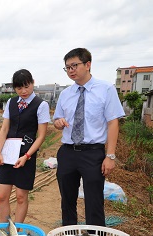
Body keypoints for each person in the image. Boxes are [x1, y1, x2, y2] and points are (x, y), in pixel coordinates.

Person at [53, 48, 124, 226]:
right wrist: (59, 122)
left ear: (88, 65)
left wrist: (110, 155)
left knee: (94, 201)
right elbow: (56, 120)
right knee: (67, 201)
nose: (71, 70)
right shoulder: (65, 94)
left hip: (93, 153)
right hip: (67, 152)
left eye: (74, 65)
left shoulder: (106, 89)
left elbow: (113, 123)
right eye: (67, 67)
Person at [0, 69, 50, 223]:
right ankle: (6, 231)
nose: (23, 91)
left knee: (20, 197)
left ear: (33, 83)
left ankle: (17, 233)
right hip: (8, 154)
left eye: (27, 87)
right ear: (15, 88)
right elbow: (4, 129)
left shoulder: (41, 105)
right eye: (19, 88)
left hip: (27, 154)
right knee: (2, 196)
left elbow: (41, 136)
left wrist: (26, 156)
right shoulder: (11, 102)